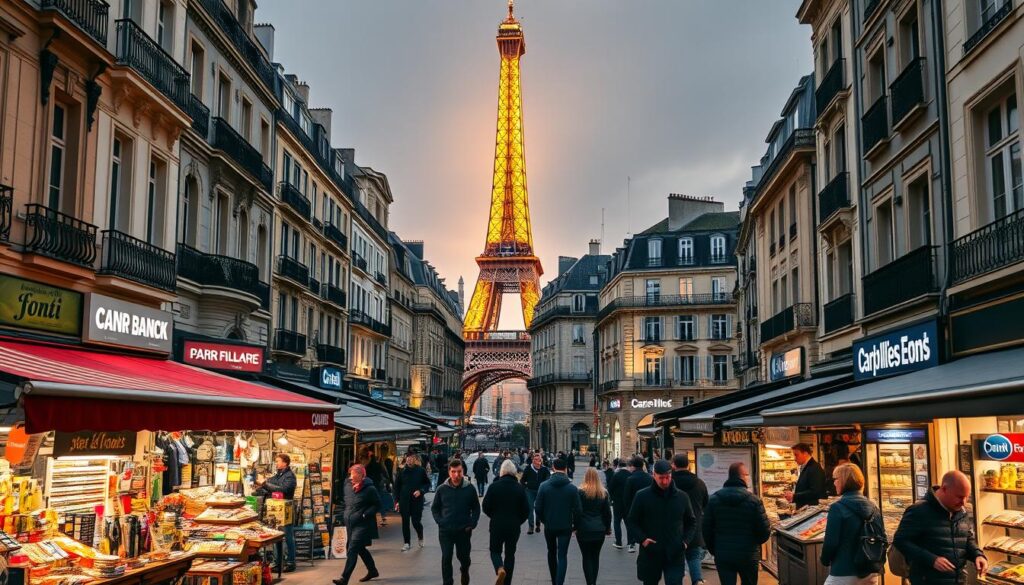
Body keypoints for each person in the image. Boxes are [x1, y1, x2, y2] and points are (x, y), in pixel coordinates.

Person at [894, 470, 987, 585]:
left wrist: (978, 555)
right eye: (959, 497)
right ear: (944, 489)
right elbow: (900, 541)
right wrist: (932, 560)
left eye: (966, 497)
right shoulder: (919, 510)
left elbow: (966, 538)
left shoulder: (962, 511)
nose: (963, 502)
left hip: (959, 580)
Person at [627, 460, 697, 585]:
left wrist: (685, 542)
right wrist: (642, 539)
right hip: (651, 552)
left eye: (667, 477)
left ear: (671, 475)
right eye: (661, 478)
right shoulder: (642, 496)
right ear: (654, 475)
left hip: (675, 552)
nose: (665, 481)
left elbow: (691, 522)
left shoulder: (682, 497)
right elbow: (632, 521)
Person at [703, 462, 771, 585]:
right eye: (747, 474)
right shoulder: (754, 501)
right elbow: (764, 531)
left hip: (723, 554)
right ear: (742, 476)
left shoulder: (713, 500)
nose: (748, 477)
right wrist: (754, 544)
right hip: (748, 554)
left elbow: (706, 529)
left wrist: (715, 549)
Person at [821, 463, 884, 585]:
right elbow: (882, 537)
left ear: (845, 481)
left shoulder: (837, 508)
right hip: (870, 571)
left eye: (836, 479)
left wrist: (824, 560)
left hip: (843, 571)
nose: (834, 483)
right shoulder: (874, 508)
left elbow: (831, 543)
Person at [431, 459, 480, 585]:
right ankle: (448, 582)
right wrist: (440, 521)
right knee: (446, 557)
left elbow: (476, 508)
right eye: (453, 472)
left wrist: (472, 523)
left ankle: (465, 571)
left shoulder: (469, 488)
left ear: (463, 471)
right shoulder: (442, 489)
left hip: (463, 530)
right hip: (445, 531)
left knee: (463, 557)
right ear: (449, 472)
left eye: (459, 472)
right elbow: (435, 508)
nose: (456, 475)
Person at [535, 458, 581, 585]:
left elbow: (538, 507)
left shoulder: (544, 486)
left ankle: (554, 579)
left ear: (553, 468)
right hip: (565, 526)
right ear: (566, 469)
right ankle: (559, 582)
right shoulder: (572, 488)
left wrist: (544, 520)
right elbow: (578, 510)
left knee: (551, 552)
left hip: (549, 525)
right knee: (562, 555)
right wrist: (575, 525)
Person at [483, 460, 529, 585]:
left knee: (495, 551)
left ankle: (499, 568)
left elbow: (485, 506)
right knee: (510, 554)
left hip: (497, 524)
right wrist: (519, 521)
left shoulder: (494, 487)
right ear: (514, 473)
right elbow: (526, 510)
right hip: (513, 526)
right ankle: (507, 582)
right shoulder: (520, 488)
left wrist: (494, 515)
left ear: (501, 472)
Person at [333, 465, 380, 585]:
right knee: (360, 549)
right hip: (350, 523)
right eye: (350, 475)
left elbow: (377, 504)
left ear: (361, 476)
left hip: (363, 524)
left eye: (353, 476)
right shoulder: (347, 485)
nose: (351, 478)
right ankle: (373, 571)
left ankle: (344, 579)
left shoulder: (370, 489)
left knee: (352, 548)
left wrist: (365, 514)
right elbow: (346, 500)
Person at [254, 454, 297, 573]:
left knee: (288, 537)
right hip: (275, 511)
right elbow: (269, 486)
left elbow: (283, 490)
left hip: (286, 511)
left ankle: (290, 562)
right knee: (276, 537)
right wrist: (259, 487)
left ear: (285, 463)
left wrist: (265, 484)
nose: (276, 463)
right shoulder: (277, 476)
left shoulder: (290, 477)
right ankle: (278, 562)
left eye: (278, 461)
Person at [671, 453, 709, 585]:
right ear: (688, 465)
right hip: (695, 525)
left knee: (676, 558)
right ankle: (697, 580)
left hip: (674, 526)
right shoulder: (699, 483)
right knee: (694, 556)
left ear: (673, 465)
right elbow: (705, 504)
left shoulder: (670, 483)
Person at [575, 468, 612, 585]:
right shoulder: (603, 493)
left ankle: (589, 582)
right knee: (595, 557)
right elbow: (607, 513)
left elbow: (577, 511)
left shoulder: (580, 492)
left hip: (584, 529)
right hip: (599, 529)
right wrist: (608, 528)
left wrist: (574, 527)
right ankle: (593, 582)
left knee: (586, 557)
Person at [394, 452, 431, 551]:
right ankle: (407, 543)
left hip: (417, 501)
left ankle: (420, 535)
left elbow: (427, 484)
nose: (409, 459)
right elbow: (396, 487)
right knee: (405, 522)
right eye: (407, 458)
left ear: (415, 459)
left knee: (416, 522)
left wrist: (421, 491)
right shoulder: (401, 471)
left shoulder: (420, 470)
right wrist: (396, 501)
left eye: (411, 458)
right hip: (404, 501)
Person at [623, 455, 653, 553]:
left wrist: (627, 510)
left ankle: (631, 543)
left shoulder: (630, 479)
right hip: (648, 508)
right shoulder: (649, 478)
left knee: (633, 525)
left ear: (633, 466)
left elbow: (626, 497)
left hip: (633, 508)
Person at [519, 452, 551, 535]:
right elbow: (522, 480)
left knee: (538, 508)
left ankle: (538, 524)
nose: (538, 461)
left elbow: (548, 480)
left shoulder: (544, 469)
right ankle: (531, 527)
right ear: (533, 460)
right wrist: (525, 487)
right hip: (530, 491)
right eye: (536, 460)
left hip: (540, 491)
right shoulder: (528, 469)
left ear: (541, 460)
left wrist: (545, 487)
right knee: (530, 508)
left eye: (539, 460)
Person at [789, 443, 827, 509]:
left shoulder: (814, 468)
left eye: (796, 455)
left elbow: (815, 491)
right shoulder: (808, 467)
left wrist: (795, 496)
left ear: (805, 453)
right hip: (806, 509)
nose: (795, 459)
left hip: (811, 509)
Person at [609, 459, 630, 549]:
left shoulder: (616, 475)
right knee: (628, 522)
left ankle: (619, 542)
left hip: (617, 502)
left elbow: (610, 488)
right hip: (628, 503)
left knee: (617, 522)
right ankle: (630, 542)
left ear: (618, 466)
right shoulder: (630, 475)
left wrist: (612, 498)